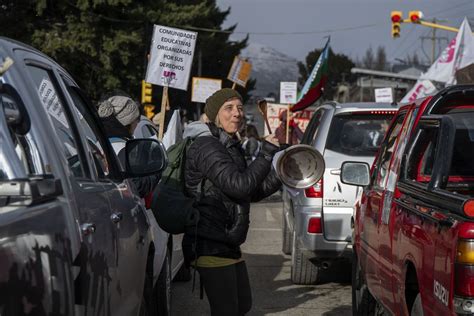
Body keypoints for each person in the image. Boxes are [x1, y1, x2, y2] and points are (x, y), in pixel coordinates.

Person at [182, 88, 281, 315]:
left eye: (239, 107)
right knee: (228, 310)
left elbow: (249, 192)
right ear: (215, 114)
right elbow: (240, 186)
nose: (237, 113)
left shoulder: (228, 145)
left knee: (242, 306)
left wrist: (282, 174)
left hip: (227, 241)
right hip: (210, 241)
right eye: (229, 108)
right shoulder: (207, 146)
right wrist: (266, 155)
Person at [97, 94, 159, 198]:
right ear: (128, 122)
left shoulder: (96, 143)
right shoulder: (127, 150)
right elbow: (136, 187)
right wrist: (156, 172)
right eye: (136, 119)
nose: (138, 122)